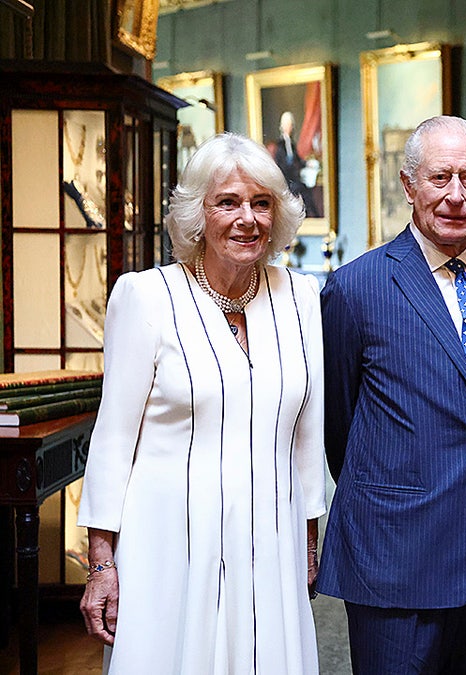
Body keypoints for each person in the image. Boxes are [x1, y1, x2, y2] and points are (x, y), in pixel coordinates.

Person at [77, 132, 325, 673]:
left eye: (262, 203)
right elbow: (114, 439)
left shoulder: (301, 297)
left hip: (270, 539)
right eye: (228, 202)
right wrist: (101, 565)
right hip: (168, 542)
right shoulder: (145, 297)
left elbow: (308, 433)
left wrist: (308, 538)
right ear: (197, 214)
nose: (248, 219)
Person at [315, 115, 466, 674]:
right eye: (440, 178)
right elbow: (338, 424)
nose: (455, 196)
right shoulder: (355, 288)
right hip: (397, 552)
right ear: (409, 184)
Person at [274, 110, 320, 218]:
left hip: (294, 178)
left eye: (291, 125)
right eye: (287, 125)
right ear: (283, 127)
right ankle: (311, 215)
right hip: (286, 180)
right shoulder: (280, 145)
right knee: (303, 190)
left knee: (306, 190)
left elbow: (297, 160)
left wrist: (307, 164)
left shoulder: (292, 144)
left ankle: (313, 217)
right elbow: (281, 165)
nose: (290, 128)